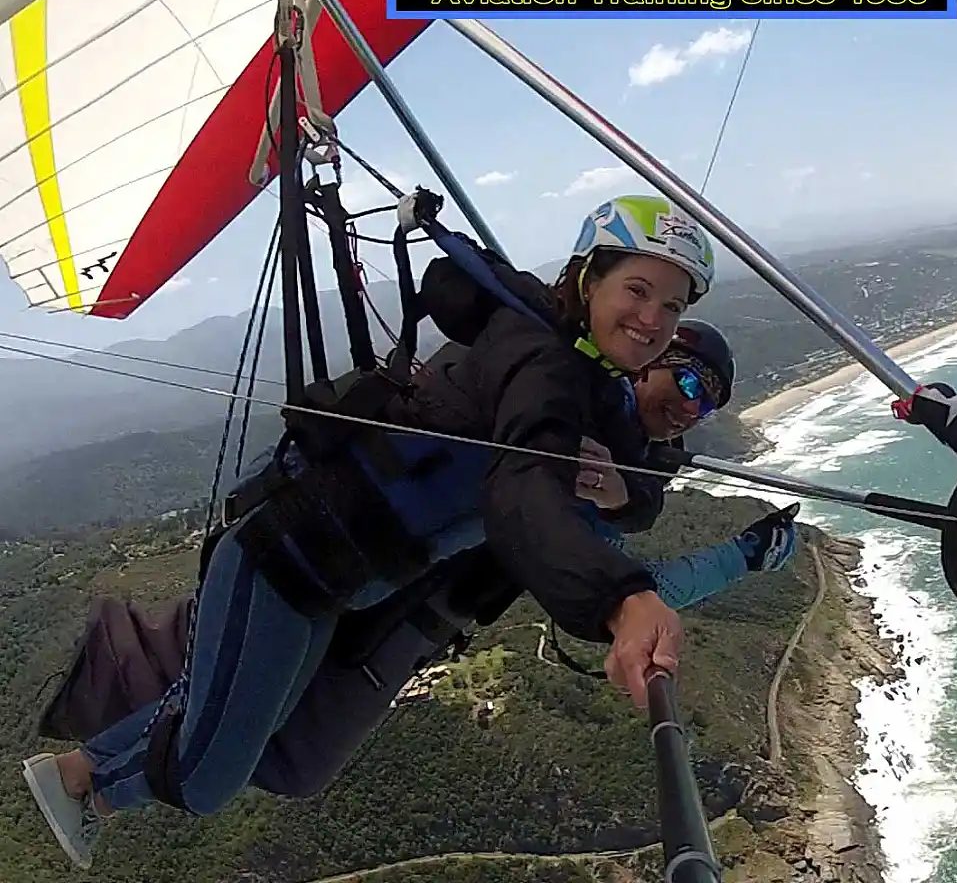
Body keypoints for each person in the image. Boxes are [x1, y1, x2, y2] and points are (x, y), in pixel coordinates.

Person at [21, 194, 717, 870]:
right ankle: (89, 789)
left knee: (251, 720)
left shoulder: (588, 375)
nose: (652, 318)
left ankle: (80, 769)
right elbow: (523, 490)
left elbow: (634, 472)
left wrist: (623, 497)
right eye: (637, 290)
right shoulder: (541, 362)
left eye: (673, 306)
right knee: (207, 781)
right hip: (282, 560)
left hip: (333, 582)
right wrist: (620, 597)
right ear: (589, 279)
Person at [31, 320, 802, 804]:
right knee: (258, 753)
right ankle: (96, 769)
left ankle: (102, 755)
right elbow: (626, 590)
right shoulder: (560, 418)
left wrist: (711, 538)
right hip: (367, 580)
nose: (693, 404)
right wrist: (735, 557)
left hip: (401, 602)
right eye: (687, 378)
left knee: (287, 752)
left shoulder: (614, 468)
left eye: (711, 401)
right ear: (646, 362)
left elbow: (626, 583)